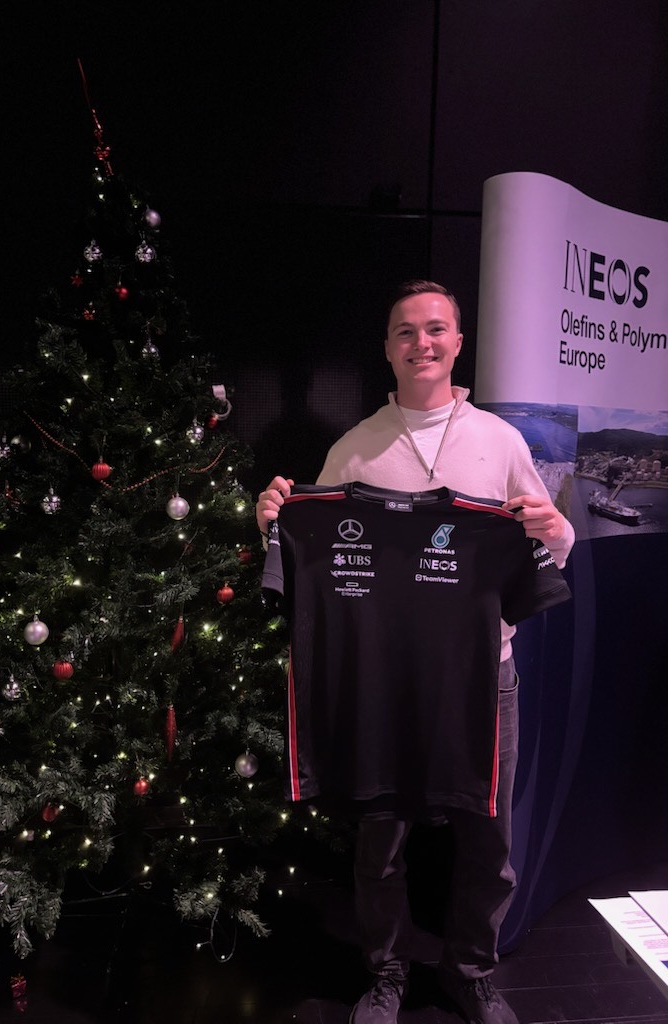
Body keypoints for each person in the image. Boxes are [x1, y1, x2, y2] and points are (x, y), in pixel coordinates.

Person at [255, 280, 574, 1024]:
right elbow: (312, 559)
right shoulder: (353, 448)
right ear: (388, 348)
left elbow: (549, 545)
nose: (421, 343)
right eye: (405, 331)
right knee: (380, 842)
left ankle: (470, 971)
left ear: (458, 342)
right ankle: (387, 974)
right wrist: (272, 522)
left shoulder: (501, 442)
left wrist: (555, 529)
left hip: (483, 679)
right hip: (383, 684)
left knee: (488, 840)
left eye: (435, 329)